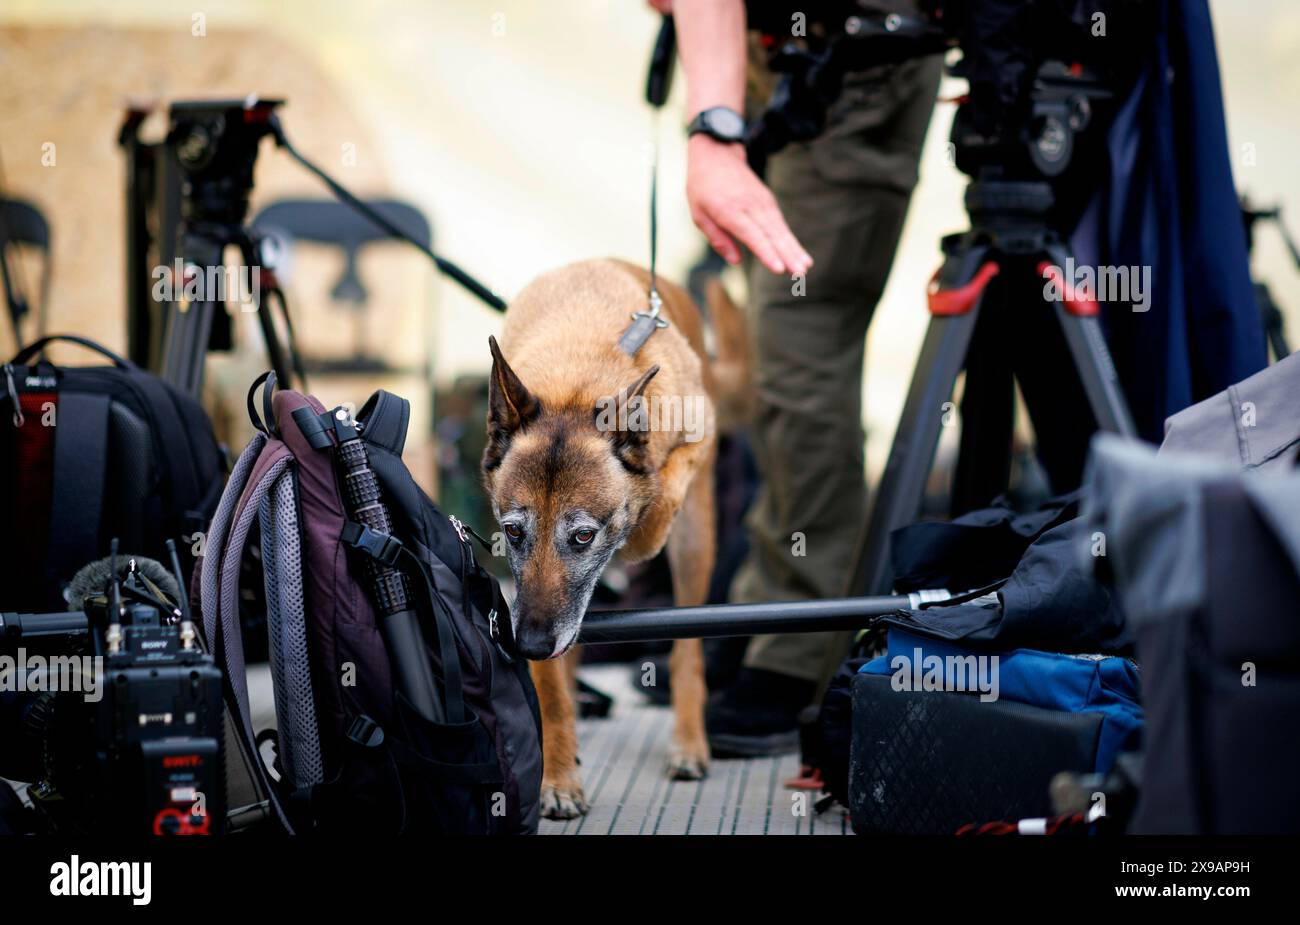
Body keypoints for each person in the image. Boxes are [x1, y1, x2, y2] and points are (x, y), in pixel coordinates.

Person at [661, 0, 942, 755]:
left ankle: (803, 646)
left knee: (800, 358)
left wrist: (715, 129)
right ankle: (768, 611)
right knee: (778, 352)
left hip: (849, 56)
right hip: (790, 48)